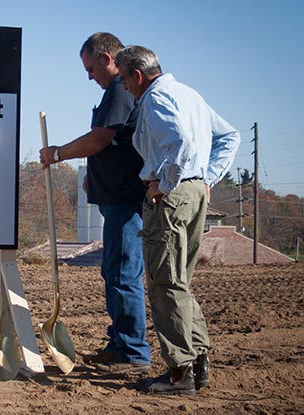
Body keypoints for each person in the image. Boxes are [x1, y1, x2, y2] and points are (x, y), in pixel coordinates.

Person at [115, 45, 240, 395]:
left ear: (137, 75)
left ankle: (179, 373)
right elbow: (230, 136)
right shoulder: (189, 93)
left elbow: (180, 142)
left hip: (172, 196)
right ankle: (198, 365)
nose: (123, 86)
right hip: (195, 192)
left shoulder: (155, 98)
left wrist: (165, 183)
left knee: (163, 282)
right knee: (179, 281)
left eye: (124, 78)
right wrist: (207, 179)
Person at [39, 32, 150, 374]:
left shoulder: (119, 89)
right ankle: (120, 344)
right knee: (114, 271)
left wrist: (58, 154)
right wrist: (94, 176)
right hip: (115, 197)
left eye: (90, 68)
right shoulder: (116, 92)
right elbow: (113, 143)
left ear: (106, 58)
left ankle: (132, 353)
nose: (89, 76)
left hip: (126, 200)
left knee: (122, 273)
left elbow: (101, 139)